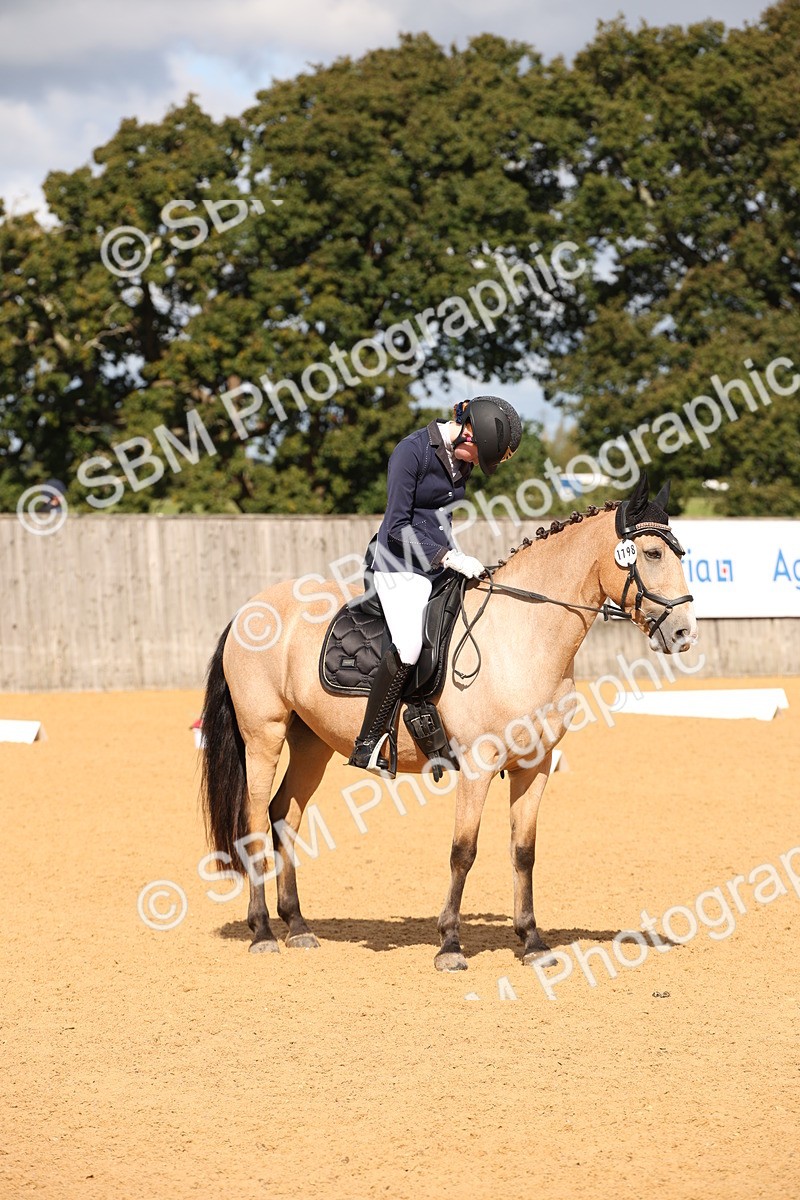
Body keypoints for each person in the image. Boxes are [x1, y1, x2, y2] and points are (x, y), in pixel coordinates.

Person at [347, 395, 522, 773]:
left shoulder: (461, 458)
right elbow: (395, 527)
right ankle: (368, 742)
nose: (477, 465)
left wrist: (456, 555)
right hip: (396, 565)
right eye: (480, 457)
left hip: (437, 563)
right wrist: (448, 557)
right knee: (409, 645)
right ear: (468, 434)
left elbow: (437, 519)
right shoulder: (410, 453)